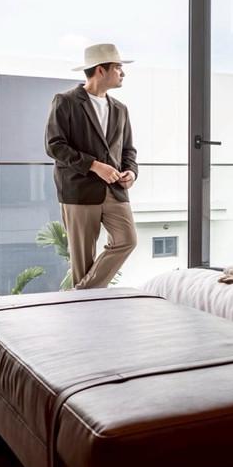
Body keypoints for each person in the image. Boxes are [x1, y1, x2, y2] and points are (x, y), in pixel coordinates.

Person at [44, 43, 139, 289]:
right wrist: (94, 166)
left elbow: (128, 150)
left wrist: (131, 172)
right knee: (82, 259)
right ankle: (86, 305)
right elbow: (54, 146)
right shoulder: (65, 101)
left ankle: (80, 293)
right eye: (117, 67)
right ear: (100, 70)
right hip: (79, 189)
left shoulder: (120, 109)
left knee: (127, 240)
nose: (122, 73)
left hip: (115, 190)